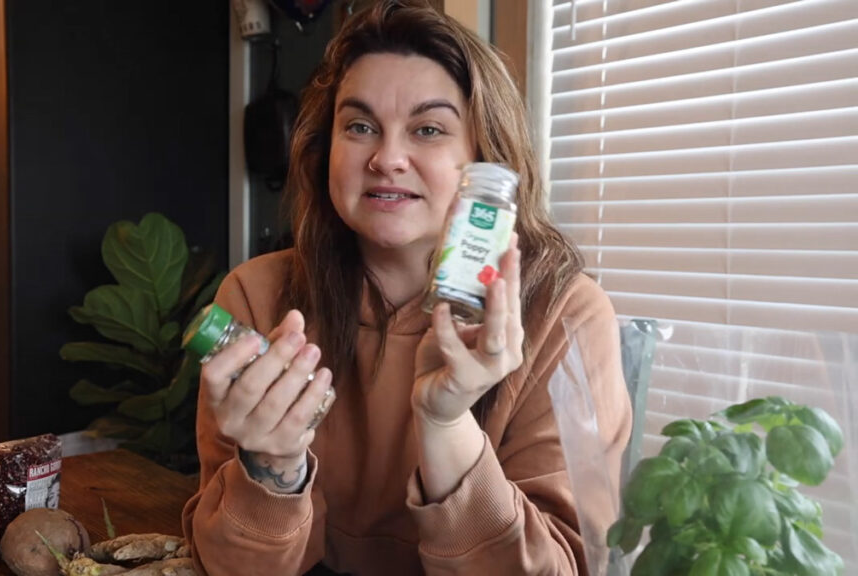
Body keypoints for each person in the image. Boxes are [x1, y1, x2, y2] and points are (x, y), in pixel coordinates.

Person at [181, 1, 631, 574]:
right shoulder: (255, 298)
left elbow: (567, 565)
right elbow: (229, 567)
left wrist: (446, 426)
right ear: (326, 152)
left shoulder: (565, 315)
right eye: (360, 126)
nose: (387, 158)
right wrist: (272, 468)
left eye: (428, 129)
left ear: (483, 156)